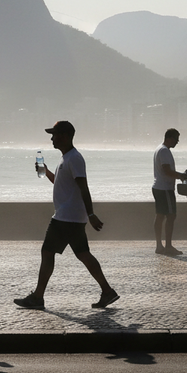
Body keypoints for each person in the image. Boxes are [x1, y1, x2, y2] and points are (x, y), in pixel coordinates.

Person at [14, 121, 119, 310]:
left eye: (54, 134)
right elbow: (62, 184)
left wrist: (92, 214)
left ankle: (38, 297)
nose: (52, 138)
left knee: (48, 252)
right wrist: (46, 172)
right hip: (69, 216)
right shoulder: (66, 158)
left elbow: (83, 186)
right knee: (82, 254)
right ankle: (107, 291)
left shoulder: (74, 158)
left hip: (66, 217)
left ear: (64, 135)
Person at [152, 128, 187, 255]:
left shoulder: (160, 149)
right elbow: (166, 170)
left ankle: (159, 245)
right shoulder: (164, 151)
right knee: (171, 216)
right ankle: (167, 246)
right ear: (170, 138)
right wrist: (181, 176)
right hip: (165, 188)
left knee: (160, 215)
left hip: (158, 187)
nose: (177, 142)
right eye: (176, 139)